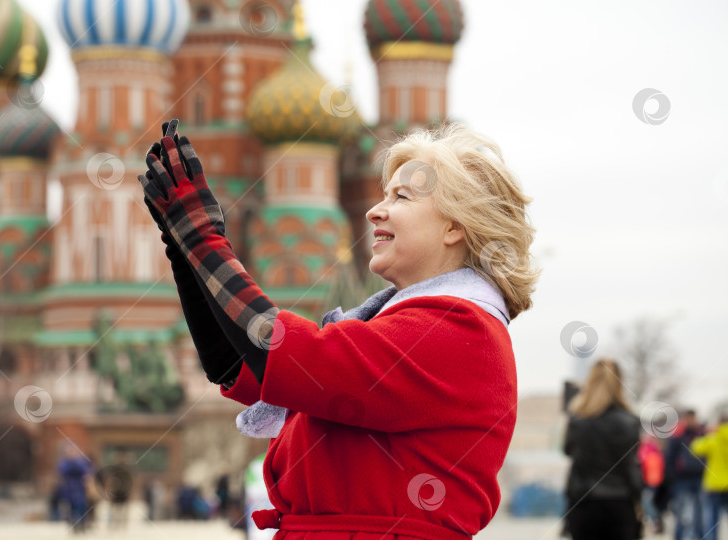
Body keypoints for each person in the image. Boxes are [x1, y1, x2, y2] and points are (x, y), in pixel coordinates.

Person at [138, 119, 538, 538]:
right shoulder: (411, 322)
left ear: (455, 226)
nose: (374, 210)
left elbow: (281, 351)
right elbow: (235, 365)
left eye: (401, 196)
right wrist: (183, 248)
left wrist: (202, 237)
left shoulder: (459, 330)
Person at [563, 358, 643, 540]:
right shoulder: (629, 422)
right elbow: (630, 466)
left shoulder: (577, 421)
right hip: (619, 503)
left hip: (583, 502)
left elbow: (568, 451)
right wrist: (638, 496)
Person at [665, 409, 705, 540]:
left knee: (700, 513)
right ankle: (679, 536)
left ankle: (700, 536)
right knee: (681, 513)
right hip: (681, 480)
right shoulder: (677, 436)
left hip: (699, 478)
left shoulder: (701, 434)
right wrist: (674, 476)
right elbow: (669, 458)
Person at [691, 412, 728, 540]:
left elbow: (696, 447)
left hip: (714, 484)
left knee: (711, 519)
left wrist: (708, 433)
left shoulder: (714, 438)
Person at [56, 444, 91, 534]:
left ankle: (82, 525)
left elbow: (86, 471)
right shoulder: (64, 462)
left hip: (80, 488)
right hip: (69, 489)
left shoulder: (81, 462)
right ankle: (73, 524)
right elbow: (62, 471)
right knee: (70, 508)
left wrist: (75, 461)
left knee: (81, 507)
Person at [637, 433, 665, 533]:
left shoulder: (651, 451)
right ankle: (655, 521)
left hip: (652, 483)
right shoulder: (646, 450)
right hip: (648, 482)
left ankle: (655, 520)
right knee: (647, 502)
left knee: (647, 501)